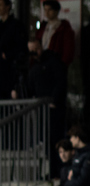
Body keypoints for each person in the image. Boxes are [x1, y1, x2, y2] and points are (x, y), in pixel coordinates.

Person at [17, 39, 67, 177]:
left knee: (55, 140)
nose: (33, 52)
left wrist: (54, 100)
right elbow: (30, 87)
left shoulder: (53, 61)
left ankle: (59, 171)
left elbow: (60, 82)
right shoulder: (33, 67)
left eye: (35, 49)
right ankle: (51, 171)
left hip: (54, 109)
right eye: (31, 49)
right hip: (41, 110)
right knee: (45, 141)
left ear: (41, 47)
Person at [0, 0, 26, 99]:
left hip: (10, 72)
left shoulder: (16, 26)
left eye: (0, 5)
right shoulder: (1, 26)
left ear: (8, 7)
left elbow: (21, 47)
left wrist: (7, 55)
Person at [35, 0, 74, 66]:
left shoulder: (64, 27)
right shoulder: (43, 26)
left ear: (56, 11)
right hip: (42, 63)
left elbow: (68, 49)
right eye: (45, 10)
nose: (47, 13)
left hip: (56, 64)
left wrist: (62, 64)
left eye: (50, 10)